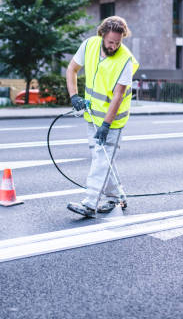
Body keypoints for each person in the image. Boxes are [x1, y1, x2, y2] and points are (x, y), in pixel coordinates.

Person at [65, 16, 139, 217]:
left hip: (113, 122)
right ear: (102, 36)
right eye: (110, 42)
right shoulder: (89, 45)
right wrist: (74, 96)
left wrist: (106, 124)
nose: (114, 46)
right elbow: (72, 69)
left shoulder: (125, 60)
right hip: (92, 116)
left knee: (100, 162)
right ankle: (117, 198)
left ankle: (90, 204)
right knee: (104, 159)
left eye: (118, 42)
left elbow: (118, 95)